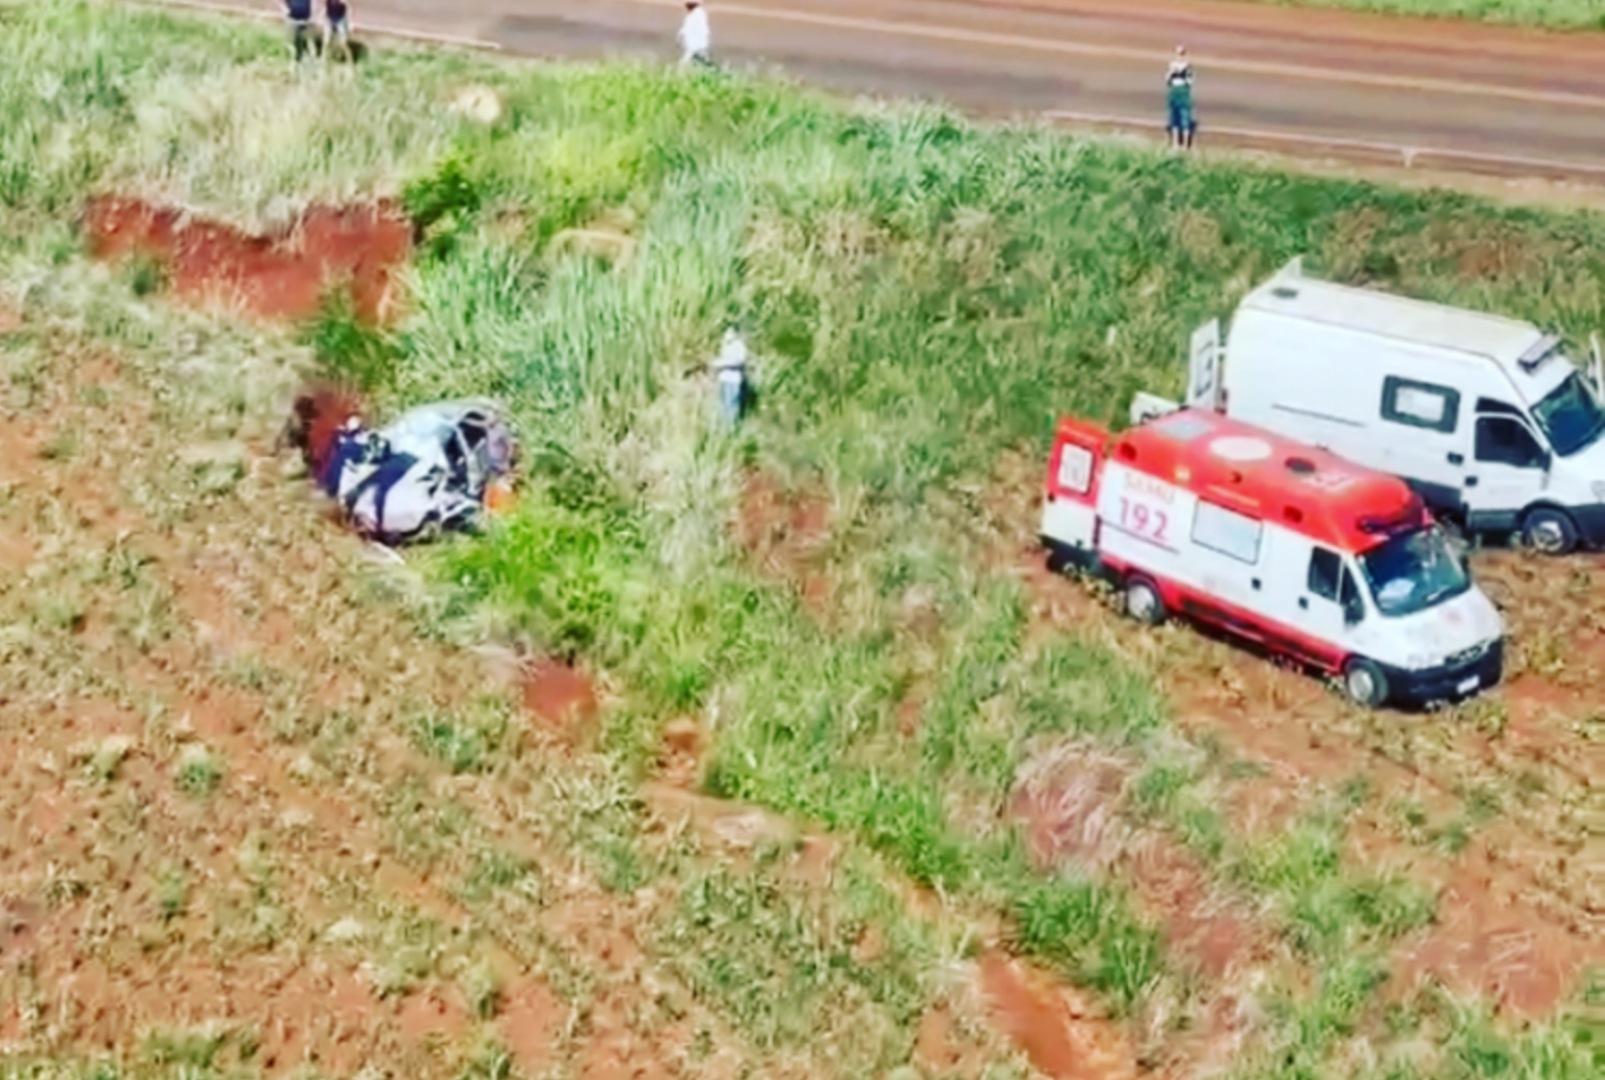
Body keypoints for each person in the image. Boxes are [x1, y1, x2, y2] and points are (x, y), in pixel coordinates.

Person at [711, 327, 749, 427]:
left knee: (731, 406)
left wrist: (721, 363)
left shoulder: (739, 345)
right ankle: (724, 429)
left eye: (729, 332)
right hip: (724, 379)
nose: (726, 334)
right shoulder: (725, 345)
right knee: (723, 406)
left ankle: (731, 430)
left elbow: (739, 361)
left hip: (733, 380)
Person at [1166, 46, 1196, 151]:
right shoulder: (1172, 65)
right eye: (1178, 53)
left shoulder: (1188, 66)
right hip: (1174, 92)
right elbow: (1167, 81)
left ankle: (1185, 145)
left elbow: (1190, 82)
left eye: (1181, 53)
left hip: (1183, 92)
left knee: (1185, 119)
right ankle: (1175, 143)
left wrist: (1183, 73)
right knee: (1174, 119)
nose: (1179, 56)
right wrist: (1172, 72)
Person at [678, 0, 712, 68]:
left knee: (683, 65)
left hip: (695, 47)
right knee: (704, 62)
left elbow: (702, 30)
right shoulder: (695, 14)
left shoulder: (697, 14)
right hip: (697, 46)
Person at [284, 0, 315, 64]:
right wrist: (286, 9)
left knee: (302, 39)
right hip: (293, 19)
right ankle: (299, 57)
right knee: (296, 40)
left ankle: (304, 56)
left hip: (304, 20)